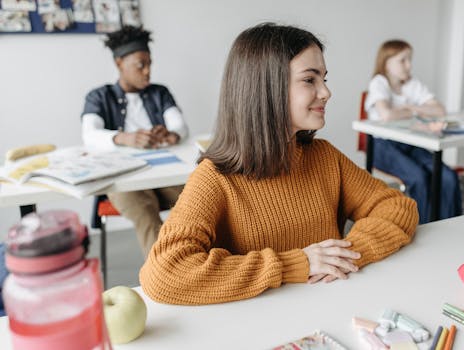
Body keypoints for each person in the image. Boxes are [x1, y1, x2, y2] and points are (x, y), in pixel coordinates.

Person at [140, 23, 418, 305]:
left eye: (324, 78)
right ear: (267, 88)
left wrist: (347, 252)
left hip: (331, 311)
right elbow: (165, 273)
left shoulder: (324, 156)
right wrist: (295, 264)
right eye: (310, 80)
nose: (326, 92)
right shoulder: (214, 177)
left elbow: (397, 206)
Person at [81, 25, 189, 256]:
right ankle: (166, 277)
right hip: (121, 178)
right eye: (141, 65)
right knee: (146, 213)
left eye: (150, 64)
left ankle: (203, 262)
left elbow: (180, 125)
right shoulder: (98, 96)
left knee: (200, 198)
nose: (148, 71)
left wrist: (172, 135)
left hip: (162, 174)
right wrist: (123, 138)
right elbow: (89, 135)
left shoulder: (160, 92)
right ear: (119, 63)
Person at [365, 39, 462, 224]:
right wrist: (414, 109)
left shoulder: (412, 84)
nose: (408, 65)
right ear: (386, 63)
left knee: (448, 176)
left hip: (410, 143)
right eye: (403, 60)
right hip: (382, 146)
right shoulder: (379, 82)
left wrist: (411, 110)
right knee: (419, 177)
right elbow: (386, 114)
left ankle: (450, 226)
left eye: (410, 60)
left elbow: (440, 110)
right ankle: (424, 227)